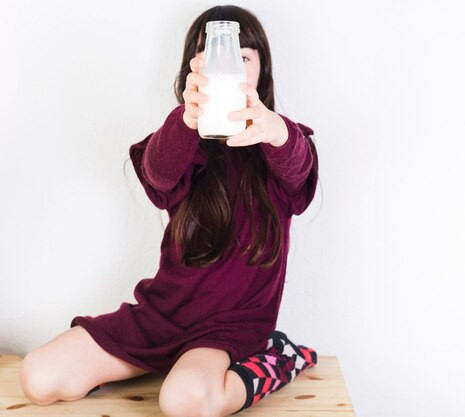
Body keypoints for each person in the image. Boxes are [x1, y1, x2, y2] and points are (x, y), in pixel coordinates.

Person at [19, 5, 319, 416]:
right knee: (38, 377)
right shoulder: (180, 138)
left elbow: (299, 168)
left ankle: (278, 357)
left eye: (243, 57)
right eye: (214, 57)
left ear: (261, 73)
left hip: (232, 326)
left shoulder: (282, 143)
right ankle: (161, 364)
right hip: (163, 315)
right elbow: (158, 176)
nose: (229, 67)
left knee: (184, 402)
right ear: (193, 72)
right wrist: (187, 118)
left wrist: (278, 131)